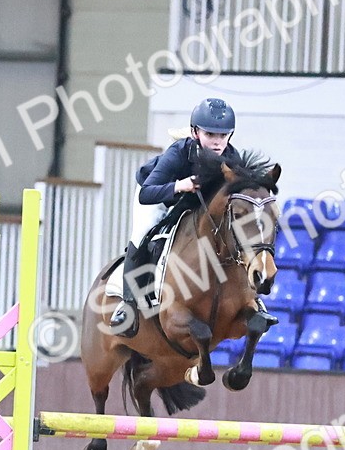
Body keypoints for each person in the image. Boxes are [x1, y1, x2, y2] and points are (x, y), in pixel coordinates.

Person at [108, 97, 274, 337]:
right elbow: (147, 194)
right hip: (160, 195)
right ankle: (128, 306)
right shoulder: (179, 153)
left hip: (195, 203)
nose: (217, 141)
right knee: (142, 233)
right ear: (195, 132)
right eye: (210, 134)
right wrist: (179, 185)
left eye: (223, 135)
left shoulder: (232, 157)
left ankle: (252, 301)